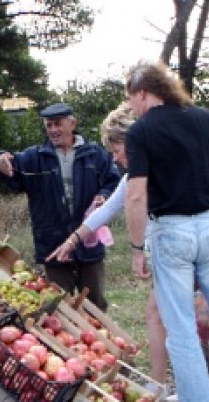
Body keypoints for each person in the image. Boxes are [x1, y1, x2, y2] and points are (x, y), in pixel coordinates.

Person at [123, 60, 209, 402]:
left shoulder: (141, 132)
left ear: (143, 93)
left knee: (182, 331)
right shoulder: (206, 118)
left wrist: (136, 248)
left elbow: (137, 194)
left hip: (171, 230)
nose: (131, 108)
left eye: (131, 100)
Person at [46, 104, 170, 387]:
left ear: (134, 141)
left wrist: (138, 251)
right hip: (169, 253)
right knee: (159, 316)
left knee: (168, 319)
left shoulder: (155, 168)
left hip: (177, 251)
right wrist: (73, 240)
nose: (114, 159)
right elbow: (106, 211)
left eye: (117, 150)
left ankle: (168, 386)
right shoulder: (133, 175)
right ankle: (160, 385)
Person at [0, 103, 121, 311]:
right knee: (59, 306)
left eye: (58, 124)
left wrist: (103, 196)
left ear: (72, 124)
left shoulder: (94, 154)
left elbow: (113, 181)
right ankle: (68, 343)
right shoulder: (36, 157)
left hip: (88, 241)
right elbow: (9, 168)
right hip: (53, 243)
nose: (53, 130)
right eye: (49, 125)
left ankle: (102, 341)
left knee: (95, 303)